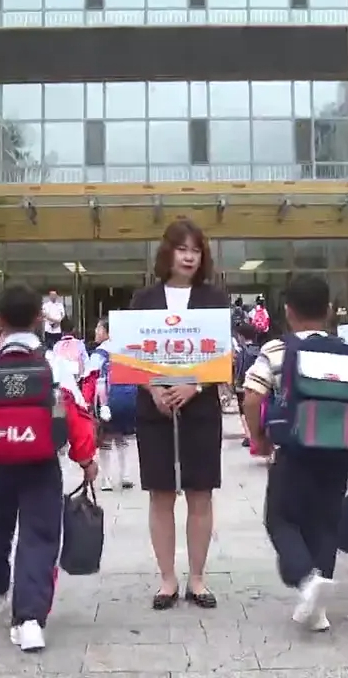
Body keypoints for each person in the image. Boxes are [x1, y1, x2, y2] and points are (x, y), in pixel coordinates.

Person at [0, 283, 98, 653]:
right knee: (39, 536)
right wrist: (87, 459)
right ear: (39, 319)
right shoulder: (54, 365)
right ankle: (29, 620)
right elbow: (76, 414)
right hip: (42, 465)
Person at [243, 274, 348, 632]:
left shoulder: (277, 350)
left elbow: (252, 395)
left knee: (281, 519)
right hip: (339, 455)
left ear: (288, 311)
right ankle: (318, 611)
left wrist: (259, 437)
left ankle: (306, 579)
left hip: (294, 451)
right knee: (325, 524)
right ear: (330, 311)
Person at [131, 218, 230, 609]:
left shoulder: (214, 298)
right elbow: (130, 355)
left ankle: (198, 579)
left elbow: (224, 355)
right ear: (168, 252)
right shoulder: (144, 299)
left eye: (196, 250)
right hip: (154, 409)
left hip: (200, 408)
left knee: (200, 492)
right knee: (161, 494)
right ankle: (167, 579)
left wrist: (195, 385)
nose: (189, 257)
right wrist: (153, 388)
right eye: (182, 249)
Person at [87, 317, 136, 491]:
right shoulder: (127, 350)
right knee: (122, 438)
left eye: (99, 328)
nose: (96, 331)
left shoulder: (100, 353)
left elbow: (91, 377)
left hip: (106, 401)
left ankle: (106, 480)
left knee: (105, 440)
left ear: (108, 332)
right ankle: (125, 476)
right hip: (128, 400)